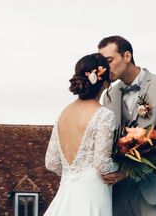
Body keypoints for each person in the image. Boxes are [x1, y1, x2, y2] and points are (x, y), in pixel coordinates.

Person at [99, 35, 156, 216]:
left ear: (127, 56)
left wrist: (126, 173)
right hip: (118, 194)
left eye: (109, 60)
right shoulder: (109, 95)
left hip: (154, 192)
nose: (105, 68)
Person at [44, 53, 118, 216]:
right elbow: (102, 164)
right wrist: (125, 166)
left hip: (67, 190)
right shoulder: (103, 115)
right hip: (92, 193)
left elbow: (51, 163)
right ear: (105, 84)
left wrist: (73, 173)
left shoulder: (63, 114)